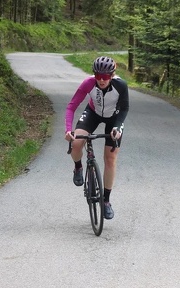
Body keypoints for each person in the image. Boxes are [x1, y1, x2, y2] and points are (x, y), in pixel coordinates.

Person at [64, 56, 129, 220]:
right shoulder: (88, 83)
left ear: (112, 75)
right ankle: (78, 167)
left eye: (105, 76)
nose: (101, 80)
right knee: (77, 143)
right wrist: (68, 130)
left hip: (114, 117)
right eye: (98, 76)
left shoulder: (120, 85)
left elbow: (124, 109)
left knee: (110, 157)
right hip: (93, 113)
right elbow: (72, 106)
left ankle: (106, 201)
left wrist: (117, 128)